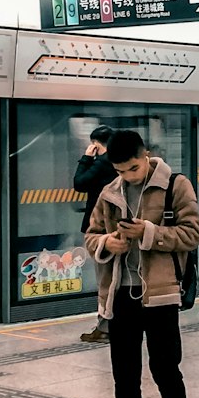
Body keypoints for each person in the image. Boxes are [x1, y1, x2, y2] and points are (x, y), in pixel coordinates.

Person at [85, 129, 199, 398]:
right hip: (121, 295)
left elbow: (193, 234)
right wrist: (108, 242)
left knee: (165, 368)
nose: (127, 176)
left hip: (161, 294)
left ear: (146, 155)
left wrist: (148, 234)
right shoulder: (110, 192)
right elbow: (90, 236)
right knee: (124, 375)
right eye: (120, 171)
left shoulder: (176, 185)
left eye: (132, 168)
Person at [74, 125, 115, 344]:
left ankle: (106, 326)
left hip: (100, 230)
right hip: (114, 229)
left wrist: (85, 158)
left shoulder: (102, 163)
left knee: (105, 279)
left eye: (93, 145)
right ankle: (109, 323)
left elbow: (79, 184)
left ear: (97, 144)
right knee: (112, 278)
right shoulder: (119, 163)